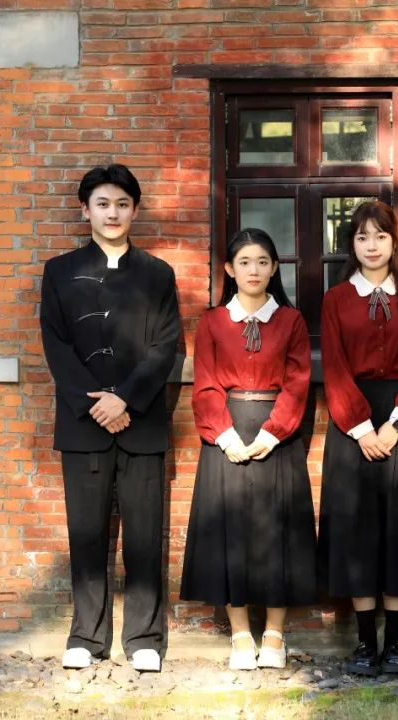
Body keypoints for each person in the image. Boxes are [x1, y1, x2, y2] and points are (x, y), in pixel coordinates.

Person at [39, 163, 181, 673]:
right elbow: (55, 344)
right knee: (86, 533)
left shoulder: (158, 274)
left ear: (135, 210)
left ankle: (144, 638)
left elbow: (167, 346)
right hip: (83, 424)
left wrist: (126, 399)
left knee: (145, 534)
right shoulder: (59, 271)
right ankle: (86, 636)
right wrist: (95, 403)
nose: (112, 213)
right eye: (102, 204)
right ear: (85, 211)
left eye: (122, 204)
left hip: (141, 422)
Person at [318, 200, 398, 676]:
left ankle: (395, 642)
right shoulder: (336, 300)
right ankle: (364, 642)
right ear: (351, 245)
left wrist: (395, 424)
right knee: (356, 530)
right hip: (351, 425)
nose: (371, 246)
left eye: (380, 236)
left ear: (394, 242)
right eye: (361, 237)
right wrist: (361, 427)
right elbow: (334, 367)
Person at [180, 228, 317, 671]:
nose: (253, 270)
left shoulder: (291, 321)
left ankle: (274, 634)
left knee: (279, 531)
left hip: (277, 434)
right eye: (244, 262)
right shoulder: (212, 322)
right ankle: (240, 634)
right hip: (228, 432)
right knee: (230, 531)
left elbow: (297, 382)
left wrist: (272, 433)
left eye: (262, 261)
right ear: (229, 269)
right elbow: (205, 383)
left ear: (274, 268)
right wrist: (225, 436)